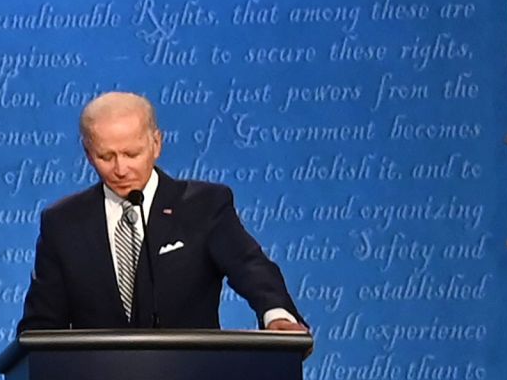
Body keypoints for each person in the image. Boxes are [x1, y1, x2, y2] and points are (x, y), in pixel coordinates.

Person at [17, 91, 304, 333]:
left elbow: (250, 267)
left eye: (132, 154)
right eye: (106, 156)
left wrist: (276, 313)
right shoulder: (63, 222)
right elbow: (42, 322)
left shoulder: (203, 205)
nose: (120, 169)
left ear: (156, 143)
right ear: (88, 153)